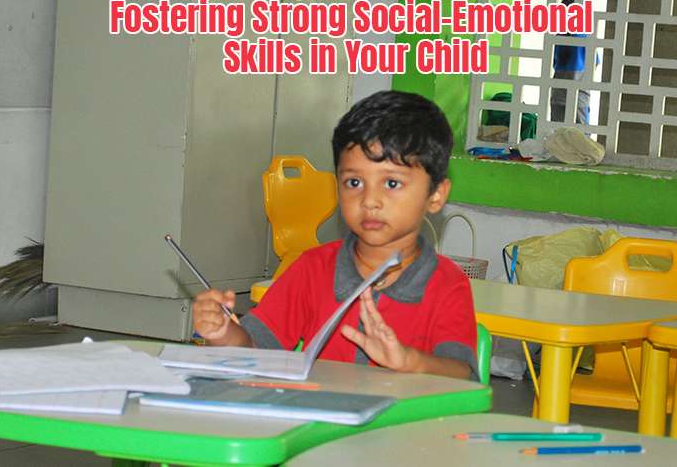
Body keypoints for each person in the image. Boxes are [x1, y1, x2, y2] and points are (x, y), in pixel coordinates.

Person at [192, 90, 478, 380]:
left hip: (404, 425)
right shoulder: (311, 270)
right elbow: (254, 350)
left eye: (391, 183)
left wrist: (409, 361)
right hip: (320, 421)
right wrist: (223, 332)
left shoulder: (447, 285)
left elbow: (462, 376)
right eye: (354, 182)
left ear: (436, 195)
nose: (369, 200)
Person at [550, 0, 597, 125]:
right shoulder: (582, 36)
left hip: (561, 95)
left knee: (559, 136)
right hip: (577, 95)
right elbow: (596, 61)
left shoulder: (564, 37)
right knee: (580, 139)